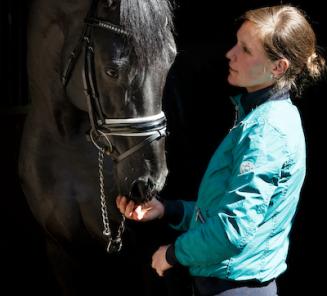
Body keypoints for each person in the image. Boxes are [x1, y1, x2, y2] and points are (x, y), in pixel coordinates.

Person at [116, 4, 326, 296]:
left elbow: (232, 231)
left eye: (246, 49)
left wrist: (173, 254)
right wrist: (168, 210)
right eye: (236, 43)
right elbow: (224, 211)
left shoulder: (267, 131)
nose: (231, 54)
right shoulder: (261, 118)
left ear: (278, 67)